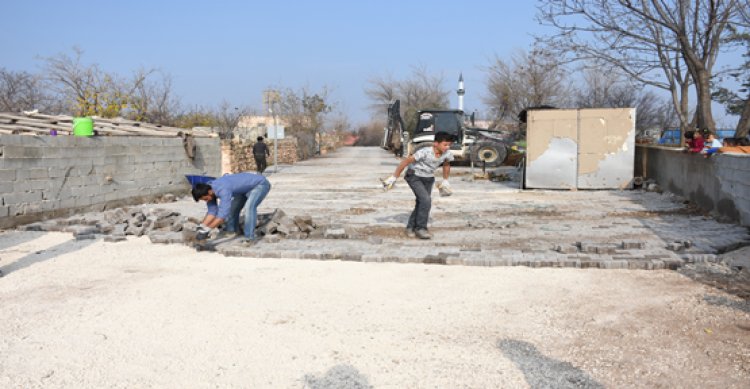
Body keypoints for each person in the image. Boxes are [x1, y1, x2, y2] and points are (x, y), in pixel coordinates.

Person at [383, 132, 455, 240]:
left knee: (421, 202)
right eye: (445, 145)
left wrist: (445, 180)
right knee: (426, 200)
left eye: (449, 145)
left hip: (428, 178)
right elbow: (406, 161)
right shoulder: (424, 152)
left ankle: (410, 227)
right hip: (414, 176)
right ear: (436, 143)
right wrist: (394, 177)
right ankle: (421, 228)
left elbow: (446, 164)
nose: (447, 147)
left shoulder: (447, 153)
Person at [191, 172, 271, 244]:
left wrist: (208, 229)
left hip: (259, 184)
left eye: (205, 199)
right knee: (233, 210)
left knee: (249, 208)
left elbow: (222, 215)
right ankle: (233, 231)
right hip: (241, 190)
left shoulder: (223, 189)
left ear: (210, 192)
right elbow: (212, 212)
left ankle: (250, 238)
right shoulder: (209, 190)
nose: (206, 201)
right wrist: (202, 226)